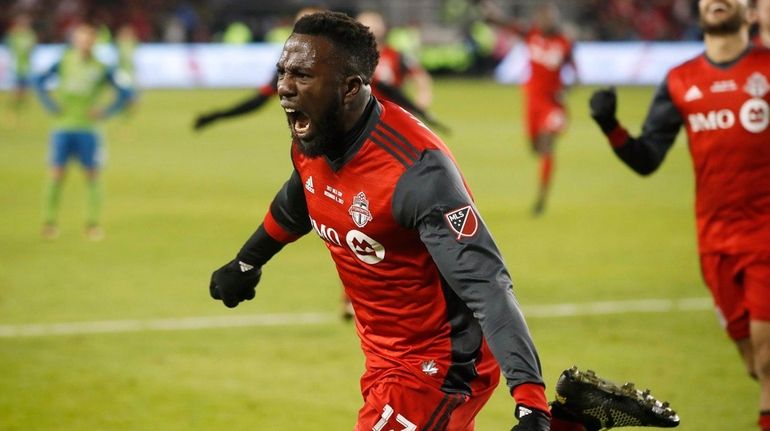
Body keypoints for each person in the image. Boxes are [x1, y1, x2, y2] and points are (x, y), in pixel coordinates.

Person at [208, 11, 679, 431]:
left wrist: (528, 401)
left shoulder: (417, 172)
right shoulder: (314, 135)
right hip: (382, 355)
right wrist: (248, 261)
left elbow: (487, 283)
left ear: (350, 87)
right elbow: (300, 197)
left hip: (440, 363)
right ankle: (575, 422)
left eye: (303, 75)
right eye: (283, 72)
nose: (285, 87)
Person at [588, 0, 770, 429]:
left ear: (752, 10)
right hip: (713, 240)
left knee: (766, 355)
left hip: (765, 234)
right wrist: (610, 126)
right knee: (752, 361)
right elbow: (648, 158)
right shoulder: (680, 81)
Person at [193, 8, 448, 134]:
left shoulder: (344, 60)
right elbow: (260, 99)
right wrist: (218, 116)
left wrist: (422, 112)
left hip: (372, 127)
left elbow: (389, 89)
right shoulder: (291, 66)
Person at [34, 22, 133, 240]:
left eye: (89, 40)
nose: (85, 44)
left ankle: (92, 224)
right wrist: (51, 106)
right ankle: (49, 223)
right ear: (75, 41)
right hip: (62, 127)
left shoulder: (102, 67)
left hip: (88, 129)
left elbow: (126, 92)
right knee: (56, 174)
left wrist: (106, 111)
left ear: (94, 42)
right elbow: (37, 81)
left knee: (92, 175)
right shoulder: (64, 61)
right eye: (81, 39)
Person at [479, 1, 577, 216]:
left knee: (547, 145)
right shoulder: (530, 34)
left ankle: (540, 200)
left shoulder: (564, 43)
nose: (546, 21)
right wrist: (486, 10)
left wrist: (567, 89)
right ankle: (541, 182)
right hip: (532, 103)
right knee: (535, 148)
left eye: (550, 17)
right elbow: (502, 22)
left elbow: (576, 74)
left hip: (553, 104)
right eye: (543, 17)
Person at [356, 10, 434, 111]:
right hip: (362, 115)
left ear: (383, 28)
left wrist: (422, 98)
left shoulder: (396, 55)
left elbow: (421, 77)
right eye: (366, 24)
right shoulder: (350, 56)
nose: (372, 28)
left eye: (375, 23)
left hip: (390, 113)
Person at [4, 13, 37, 116]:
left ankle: (22, 106)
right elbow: (8, 45)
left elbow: (32, 47)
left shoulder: (30, 34)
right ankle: (15, 105)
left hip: (26, 65)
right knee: (17, 86)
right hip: (17, 65)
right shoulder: (14, 35)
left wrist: (30, 48)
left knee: (25, 87)